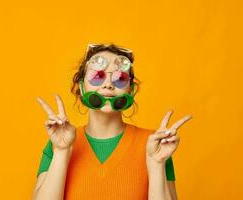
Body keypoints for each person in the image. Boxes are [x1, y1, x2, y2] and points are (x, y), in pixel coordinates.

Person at [32, 43, 192, 200]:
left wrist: (157, 164)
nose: (108, 84)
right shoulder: (58, 143)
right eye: (97, 76)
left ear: (130, 89)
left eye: (119, 78)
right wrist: (61, 151)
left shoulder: (156, 145)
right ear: (81, 87)